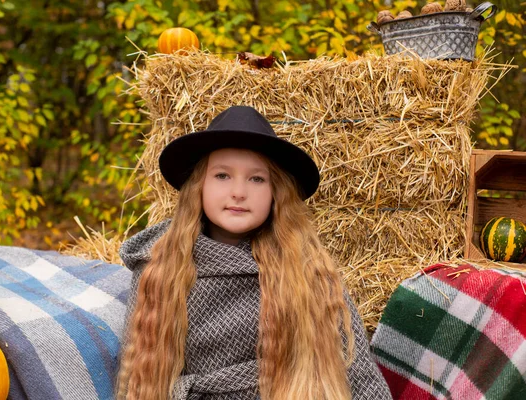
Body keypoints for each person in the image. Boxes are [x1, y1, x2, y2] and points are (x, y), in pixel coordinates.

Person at [115, 106, 392, 400]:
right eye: (222, 176)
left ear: (276, 192)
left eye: (256, 179)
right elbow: (135, 377)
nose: (238, 192)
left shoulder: (307, 270)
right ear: (199, 186)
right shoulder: (158, 267)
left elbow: (360, 375)